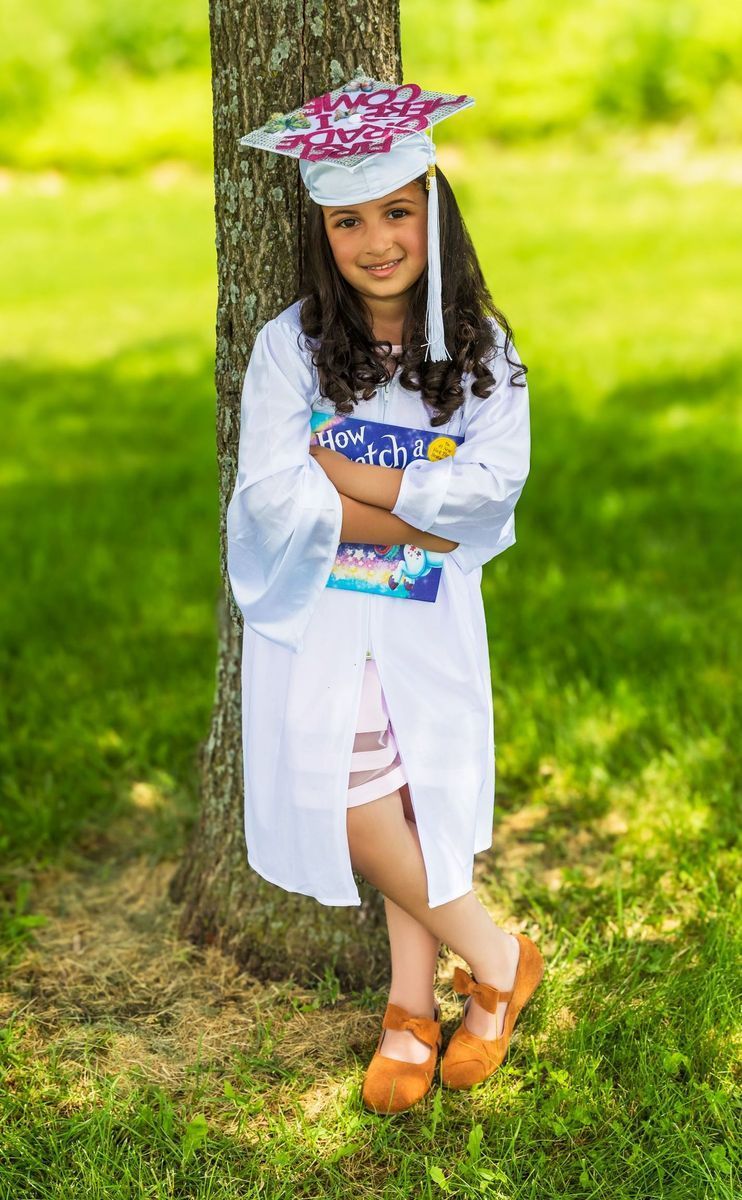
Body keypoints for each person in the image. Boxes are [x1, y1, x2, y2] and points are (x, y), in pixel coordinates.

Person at [227, 76, 544, 1114]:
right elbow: (274, 498)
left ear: (433, 211)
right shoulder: (290, 348)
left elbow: (489, 491)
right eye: (348, 219)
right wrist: (420, 505)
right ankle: (495, 960)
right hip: (322, 612)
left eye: (397, 211)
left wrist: (353, 477)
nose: (375, 240)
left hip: (424, 607)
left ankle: (412, 1006)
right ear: (321, 230)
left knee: (416, 793)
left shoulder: (484, 354)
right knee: (357, 799)